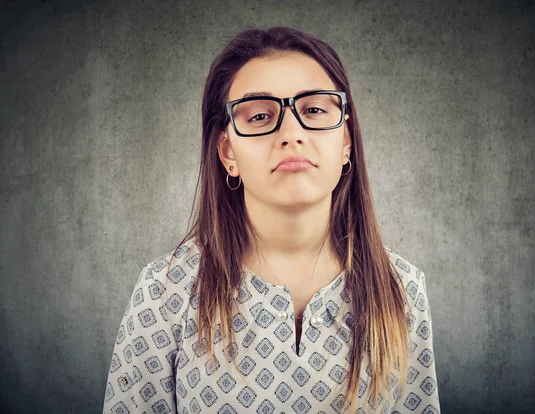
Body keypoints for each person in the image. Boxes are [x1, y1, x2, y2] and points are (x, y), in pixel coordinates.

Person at [103, 26, 440, 414]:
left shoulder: (402, 290)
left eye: (314, 109)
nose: (291, 133)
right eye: (261, 115)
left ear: (346, 140)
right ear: (228, 151)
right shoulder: (165, 293)